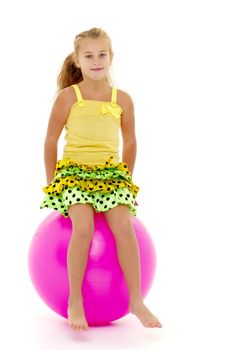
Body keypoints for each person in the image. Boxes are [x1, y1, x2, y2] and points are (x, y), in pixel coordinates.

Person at [40, 27, 162, 331]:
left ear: (111, 58)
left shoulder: (122, 99)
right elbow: (50, 141)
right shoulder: (69, 97)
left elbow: (130, 142)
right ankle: (75, 300)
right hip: (75, 173)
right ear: (78, 60)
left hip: (108, 174)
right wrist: (53, 182)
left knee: (123, 225)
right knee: (83, 227)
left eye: (102, 55)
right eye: (89, 56)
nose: (96, 61)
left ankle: (136, 299)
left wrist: (125, 182)